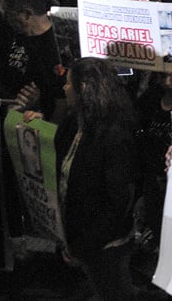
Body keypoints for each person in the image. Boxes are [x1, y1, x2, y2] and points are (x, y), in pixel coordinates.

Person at [50, 58, 139, 300]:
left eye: (69, 83)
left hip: (106, 246)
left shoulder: (114, 136)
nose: (64, 88)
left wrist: (83, 247)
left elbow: (118, 203)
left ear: (85, 88)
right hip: (81, 237)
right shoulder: (72, 123)